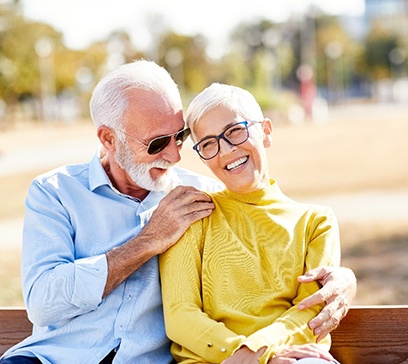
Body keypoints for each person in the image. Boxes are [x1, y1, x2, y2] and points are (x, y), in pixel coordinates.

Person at [0, 61, 355, 364]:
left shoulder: (201, 196)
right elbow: (43, 303)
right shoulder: (55, 192)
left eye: (180, 137)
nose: (174, 156)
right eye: (156, 143)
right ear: (108, 139)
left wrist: (344, 279)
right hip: (53, 358)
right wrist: (148, 241)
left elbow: (262, 211)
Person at [159, 83, 345, 363]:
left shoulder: (316, 222)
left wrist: (256, 352)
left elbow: (310, 309)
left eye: (235, 131)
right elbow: (179, 314)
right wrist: (251, 357)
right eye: (209, 143)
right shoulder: (191, 215)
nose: (226, 150)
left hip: (293, 357)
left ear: (266, 132)